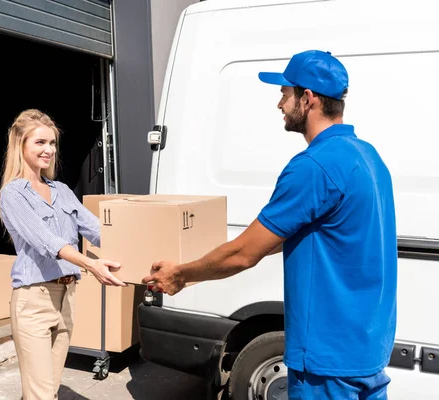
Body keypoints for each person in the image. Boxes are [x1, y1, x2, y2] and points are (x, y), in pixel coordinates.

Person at [143, 50, 397, 399]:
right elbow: (301, 233)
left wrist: (181, 275)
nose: (279, 104)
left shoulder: (314, 166)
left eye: (284, 93)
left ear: (307, 99)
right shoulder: (368, 157)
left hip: (326, 360)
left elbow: (244, 254)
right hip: (367, 349)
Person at [0, 109, 126, 400]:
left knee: (49, 388)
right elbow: (47, 243)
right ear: (21, 145)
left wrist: (138, 248)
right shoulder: (13, 195)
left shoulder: (62, 191)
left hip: (66, 296)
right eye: (40, 142)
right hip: (33, 299)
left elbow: (96, 229)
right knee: (41, 393)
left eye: (53, 143)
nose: (49, 150)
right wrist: (91, 265)